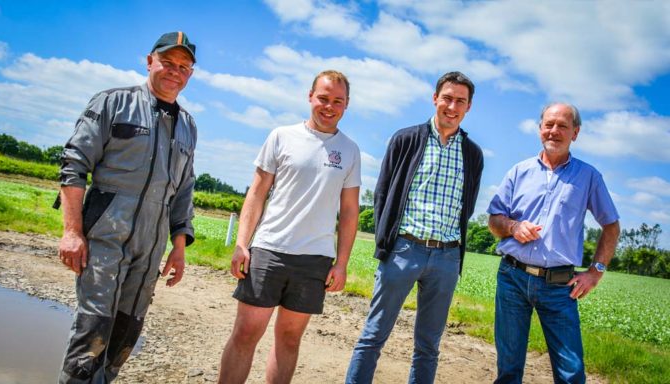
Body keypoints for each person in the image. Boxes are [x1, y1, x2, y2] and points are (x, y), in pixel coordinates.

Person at [56, 31, 198, 383]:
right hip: (105, 238)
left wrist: (178, 248)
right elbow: (73, 166)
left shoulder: (189, 127)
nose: (174, 71)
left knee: (124, 334)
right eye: (167, 62)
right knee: (93, 331)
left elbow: (183, 192)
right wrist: (72, 232)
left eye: (183, 66)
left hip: (149, 249)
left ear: (190, 74)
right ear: (149, 61)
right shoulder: (112, 103)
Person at [217, 70, 361, 384]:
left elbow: (350, 212)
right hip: (269, 250)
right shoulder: (282, 136)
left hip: (314, 261)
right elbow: (256, 193)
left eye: (337, 101)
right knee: (245, 334)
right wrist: (242, 244)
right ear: (310, 97)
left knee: (289, 340)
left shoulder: (350, 151)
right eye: (323, 98)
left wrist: (342, 263)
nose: (329, 106)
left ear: (346, 105)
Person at [346, 71, 484, 384]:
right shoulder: (406, 139)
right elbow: (383, 194)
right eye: (447, 98)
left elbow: (469, 204)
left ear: (468, 107)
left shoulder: (473, 154)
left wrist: (453, 254)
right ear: (435, 98)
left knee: (428, 346)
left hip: (446, 259)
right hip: (404, 250)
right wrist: (387, 245)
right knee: (374, 335)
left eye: (460, 101)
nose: (452, 105)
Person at [487, 102, 620, 383]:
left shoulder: (589, 177)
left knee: (571, 373)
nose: (554, 131)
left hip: (560, 287)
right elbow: (494, 220)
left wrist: (595, 272)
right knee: (508, 369)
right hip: (512, 278)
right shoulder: (518, 171)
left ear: (576, 132)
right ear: (539, 129)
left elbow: (611, 225)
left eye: (562, 126)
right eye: (549, 124)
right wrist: (513, 226)